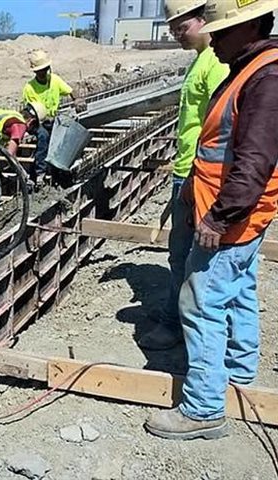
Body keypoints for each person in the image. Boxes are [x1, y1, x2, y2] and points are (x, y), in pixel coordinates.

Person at [146, 0, 278, 440]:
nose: (215, 40)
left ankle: (203, 407)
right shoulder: (249, 68)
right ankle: (238, 372)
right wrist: (192, 186)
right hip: (233, 210)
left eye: (223, 32)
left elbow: (254, 162)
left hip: (232, 215)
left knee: (199, 302)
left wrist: (219, 218)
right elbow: (220, 146)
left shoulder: (266, 78)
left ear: (254, 26)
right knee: (237, 289)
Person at [137, 0, 229, 351]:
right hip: (189, 171)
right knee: (182, 255)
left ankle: (177, 326)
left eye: (182, 25)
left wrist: (194, 178)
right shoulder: (200, 61)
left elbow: (221, 128)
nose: (176, 33)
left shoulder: (216, 64)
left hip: (199, 175)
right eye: (172, 27)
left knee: (188, 257)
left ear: (203, 20)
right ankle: (179, 319)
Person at [21, 50, 84, 187]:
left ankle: (60, 171)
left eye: (44, 70)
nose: (43, 73)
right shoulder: (29, 88)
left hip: (52, 120)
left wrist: (78, 99)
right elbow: (32, 114)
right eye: (40, 71)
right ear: (35, 72)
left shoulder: (54, 80)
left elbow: (71, 90)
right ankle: (40, 173)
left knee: (63, 134)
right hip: (36, 121)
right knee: (43, 136)